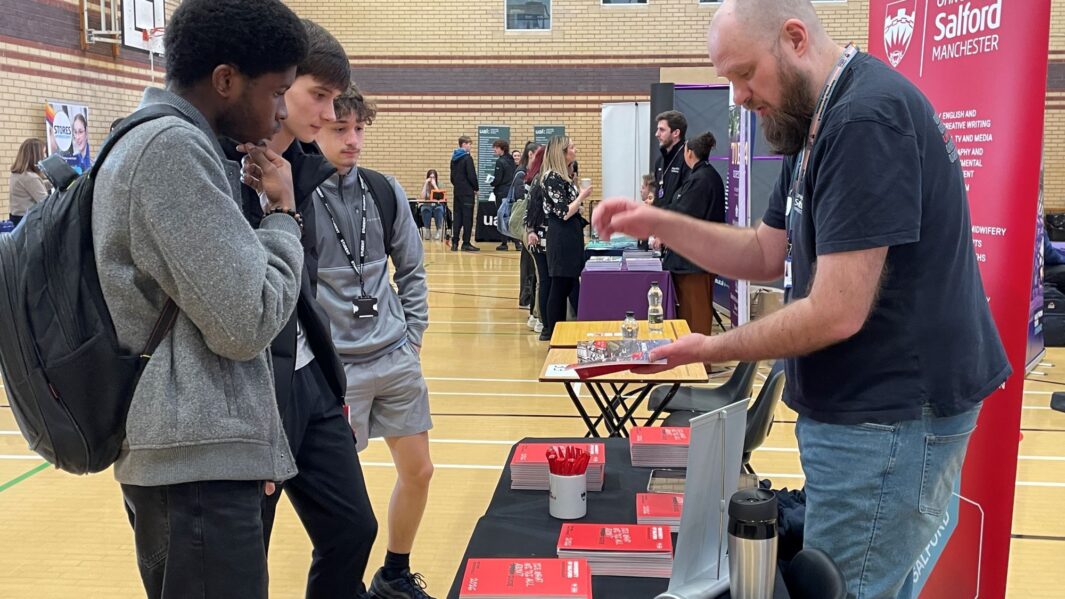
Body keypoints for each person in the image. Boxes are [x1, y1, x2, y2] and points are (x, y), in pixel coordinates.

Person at [592, 1, 1010, 597]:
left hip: (889, 422)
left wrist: (710, 346)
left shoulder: (864, 120)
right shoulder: (814, 122)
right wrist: (658, 221)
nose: (735, 97)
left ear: (794, 38)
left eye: (743, 74)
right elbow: (764, 251)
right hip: (862, 420)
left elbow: (836, 310)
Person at [90, 1, 310, 597]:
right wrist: (283, 216)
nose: (282, 111)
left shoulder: (173, 145)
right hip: (193, 476)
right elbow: (247, 319)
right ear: (225, 80)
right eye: (277, 92)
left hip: (195, 465)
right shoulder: (170, 151)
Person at [226, 20, 379, 599]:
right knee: (246, 560)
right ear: (279, 84)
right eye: (317, 95)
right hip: (251, 394)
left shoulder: (307, 174)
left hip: (309, 382)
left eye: (335, 100)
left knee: (352, 529)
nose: (328, 112)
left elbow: (300, 291)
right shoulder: (225, 172)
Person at [314, 82, 436, 599]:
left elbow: (411, 270)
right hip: (335, 371)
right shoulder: (297, 197)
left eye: (359, 129)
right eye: (340, 129)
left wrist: (412, 337)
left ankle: (394, 573)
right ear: (314, 128)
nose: (353, 141)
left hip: (395, 357)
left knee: (421, 471)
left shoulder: (383, 191)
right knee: (345, 511)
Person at [658, 132, 725, 342]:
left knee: (696, 316)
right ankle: (692, 361)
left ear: (689, 153)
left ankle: (700, 363)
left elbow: (684, 215)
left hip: (695, 262)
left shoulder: (702, 179)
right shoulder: (701, 176)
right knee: (688, 315)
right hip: (692, 260)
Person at [541, 135, 592, 339]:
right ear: (561, 152)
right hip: (561, 235)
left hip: (571, 233)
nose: (575, 149)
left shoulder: (564, 177)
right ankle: (554, 333)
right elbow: (563, 212)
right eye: (572, 147)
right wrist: (581, 196)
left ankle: (569, 330)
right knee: (560, 285)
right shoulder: (551, 177)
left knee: (571, 282)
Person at [523, 146, 551, 340]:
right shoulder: (540, 180)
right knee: (542, 279)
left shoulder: (535, 178)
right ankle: (541, 319)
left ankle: (536, 316)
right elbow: (531, 209)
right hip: (539, 235)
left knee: (539, 278)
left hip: (536, 234)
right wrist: (532, 229)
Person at [512, 142, 541, 325]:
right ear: (531, 154)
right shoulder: (523, 173)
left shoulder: (528, 172)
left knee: (529, 265)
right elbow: (520, 198)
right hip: (527, 225)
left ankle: (527, 300)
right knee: (529, 267)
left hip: (527, 225)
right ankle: (526, 299)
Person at [8, 138, 49, 225]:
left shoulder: (17, 173)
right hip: (27, 223)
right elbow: (47, 204)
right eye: (44, 153)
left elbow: (35, 187)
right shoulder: (30, 178)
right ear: (36, 155)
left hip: (16, 219)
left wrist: (52, 182)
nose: (45, 156)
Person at [653, 110, 689, 208]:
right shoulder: (660, 161)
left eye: (662, 130)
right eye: (657, 129)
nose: (657, 134)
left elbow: (687, 201)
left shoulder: (688, 159)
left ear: (676, 133)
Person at [450, 135, 479, 251]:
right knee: (467, 218)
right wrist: (475, 188)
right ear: (464, 144)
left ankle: (455, 243)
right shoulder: (467, 158)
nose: (470, 146)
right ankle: (466, 243)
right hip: (467, 193)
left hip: (457, 192)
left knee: (457, 217)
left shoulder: (454, 158)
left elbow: (452, 177)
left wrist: (458, 185)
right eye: (469, 144)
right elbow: (471, 175)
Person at [490, 138, 518, 250]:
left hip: (502, 192)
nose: (494, 150)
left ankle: (504, 243)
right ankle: (517, 242)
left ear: (502, 149)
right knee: (511, 216)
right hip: (512, 192)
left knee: (502, 216)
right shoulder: (512, 161)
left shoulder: (500, 162)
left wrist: (492, 182)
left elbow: (498, 179)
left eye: (496, 148)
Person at [420, 169, 446, 240]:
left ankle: (438, 230)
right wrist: (425, 184)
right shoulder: (425, 185)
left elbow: (441, 196)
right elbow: (422, 197)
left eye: (433, 177)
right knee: (425, 210)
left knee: (439, 210)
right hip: (427, 205)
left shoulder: (440, 184)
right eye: (430, 177)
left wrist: (434, 185)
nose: (432, 179)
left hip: (437, 205)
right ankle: (427, 230)